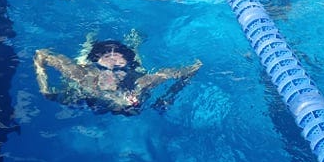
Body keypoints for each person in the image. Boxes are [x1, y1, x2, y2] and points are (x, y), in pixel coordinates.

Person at [34, 35, 201, 116]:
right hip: (90, 81)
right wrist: (45, 89)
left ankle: (134, 42)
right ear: (96, 66)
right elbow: (41, 54)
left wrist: (169, 96)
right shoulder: (81, 76)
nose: (111, 74)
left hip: (130, 80)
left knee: (132, 111)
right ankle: (90, 39)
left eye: (118, 69)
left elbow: (193, 68)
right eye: (104, 67)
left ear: (126, 69)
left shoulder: (139, 84)